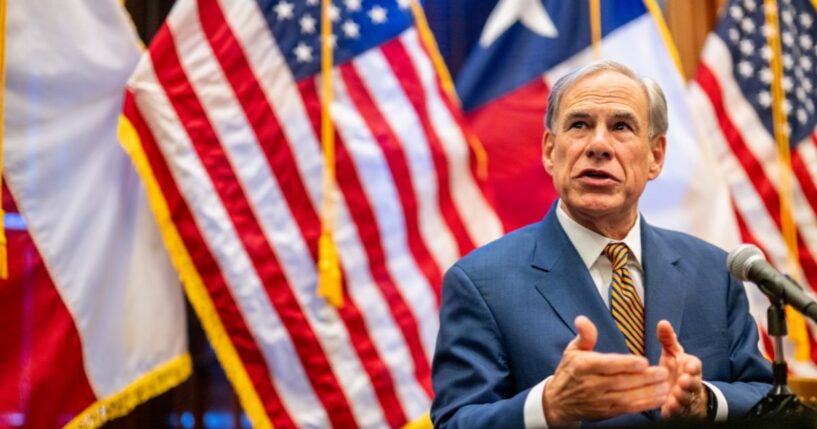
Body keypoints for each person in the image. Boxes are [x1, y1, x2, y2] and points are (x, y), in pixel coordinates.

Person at [430, 61, 772, 428]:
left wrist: (705, 401)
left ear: (655, 156)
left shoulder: (714, 272)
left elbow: (765, 397)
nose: (598, 145)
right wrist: (548, 406)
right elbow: (455, 421)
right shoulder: (482, 283)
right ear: (549, 150)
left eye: (621, 127)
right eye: (580, 125)